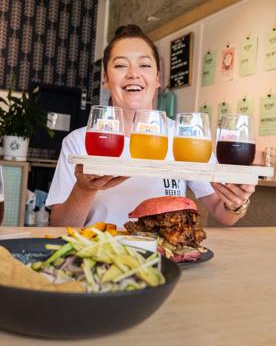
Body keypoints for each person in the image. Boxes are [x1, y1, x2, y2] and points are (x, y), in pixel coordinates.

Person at [46, 24, 255, 227]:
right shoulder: (79, 142)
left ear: (157, 78)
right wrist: (84, 190)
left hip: (164, 258)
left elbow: (223, 214)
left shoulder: (183, 137)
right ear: (106, 79)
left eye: (144, 65)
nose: (133, 73)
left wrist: (237, 202)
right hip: (100, 257)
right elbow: (60, 225)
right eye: (120, 65)